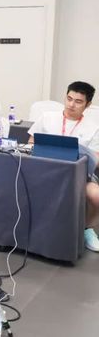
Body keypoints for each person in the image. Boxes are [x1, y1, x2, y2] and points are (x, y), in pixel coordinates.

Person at [28, 81, 99, 252]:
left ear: (88, 104)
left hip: (79, 177)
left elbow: (96, 159)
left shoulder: (94, 128)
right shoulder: (47, 117)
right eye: (69, 98)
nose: (71, 104)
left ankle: (87, 229)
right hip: (43, 172)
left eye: (78, 101)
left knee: (96, 196)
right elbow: (30, 142)